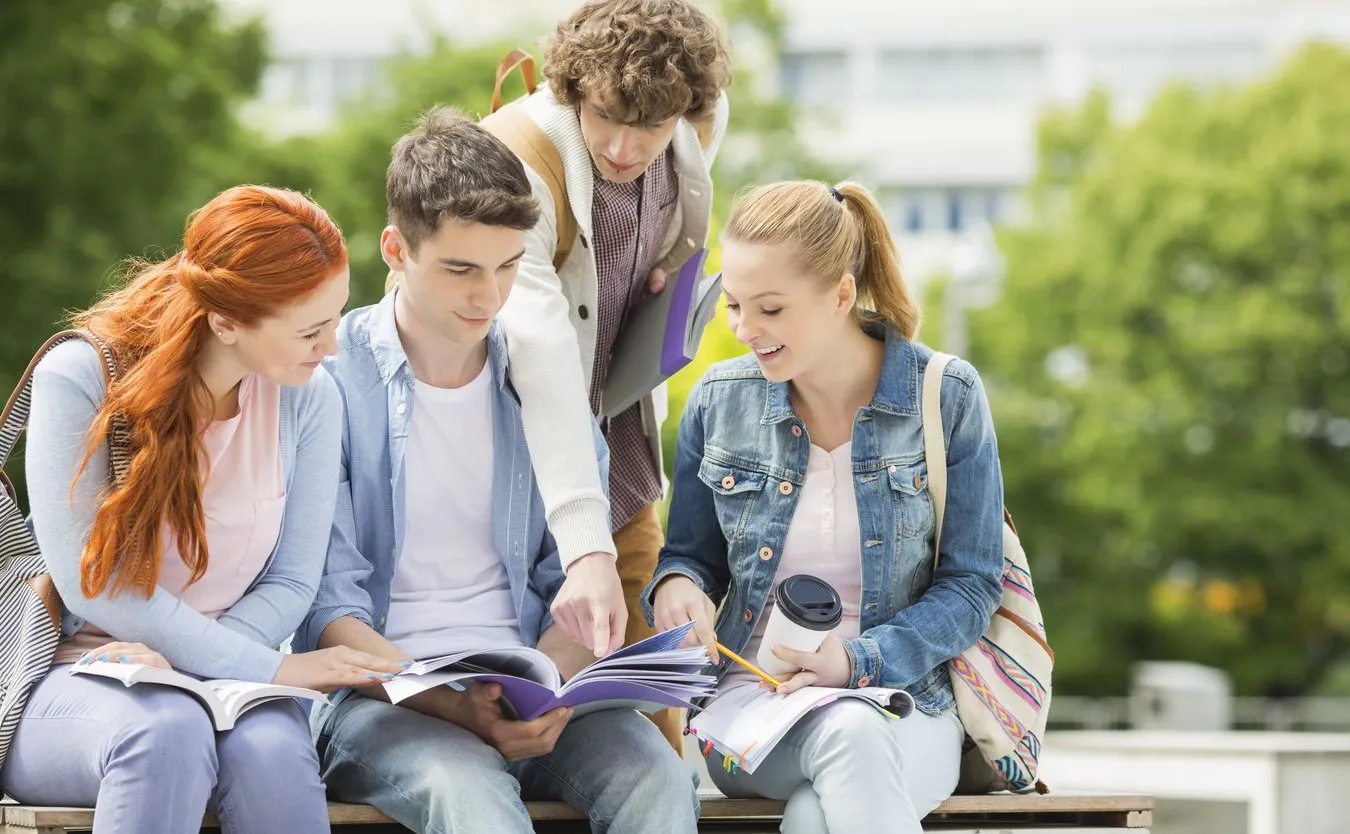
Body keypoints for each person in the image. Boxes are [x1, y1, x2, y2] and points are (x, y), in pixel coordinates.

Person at [296, 107, 698, 834]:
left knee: (659, 781)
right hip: (381, 699)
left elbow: (572, 584)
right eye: (460, 269)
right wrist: (454, 706)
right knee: (471, 797)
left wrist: (537, 689)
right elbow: (327, 608)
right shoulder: (328, 382)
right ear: (395, 249)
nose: (489, 296)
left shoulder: (542, 378)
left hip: (535, 691)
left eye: (509, 267)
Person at [0, 185, 403, 834]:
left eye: (336, 318)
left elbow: (293, 580)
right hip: (75, 675)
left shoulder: (309, 397)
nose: (331, 346)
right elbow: (92, 582)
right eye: (310, 329)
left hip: (229, 674)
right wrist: (270, 667)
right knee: (165, 732)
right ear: (226, 323)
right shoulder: (80, 377)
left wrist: (202, 662)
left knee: (271, 749)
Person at [647, 180, 1007, 833]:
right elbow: (689, 558)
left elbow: (973, 587)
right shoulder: (717, 400)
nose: (745, 330)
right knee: (850, 734)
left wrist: (857, 663)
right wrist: (677, 587)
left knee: (820, 809)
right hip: (752, 707)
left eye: (771, 309)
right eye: (733, 305)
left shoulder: (946, 395)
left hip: (905, 703)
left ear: (842, 294)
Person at [493, 0, 732, 752]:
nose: (625, 149)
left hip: (620, 441)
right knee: (512, 704)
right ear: (570, 90)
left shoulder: (700, 119)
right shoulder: (515, 162)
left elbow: (678, 208)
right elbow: (537, 351)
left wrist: (660, 267)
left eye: (652, 128)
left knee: (651, 699)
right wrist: (583, 542)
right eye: (605, 118)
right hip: (507, 449)